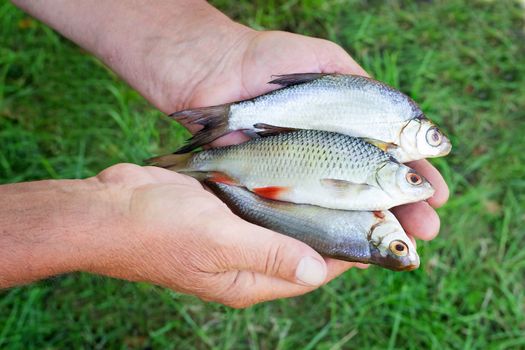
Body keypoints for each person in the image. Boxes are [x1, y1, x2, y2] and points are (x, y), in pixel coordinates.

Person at [1, 0, 448, 308]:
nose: (418, 179)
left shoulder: (375, 179)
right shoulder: (379, 171)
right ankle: (208, 160)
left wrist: (210, 55)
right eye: (412, 178)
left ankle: (206, 164)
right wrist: (109, 223)